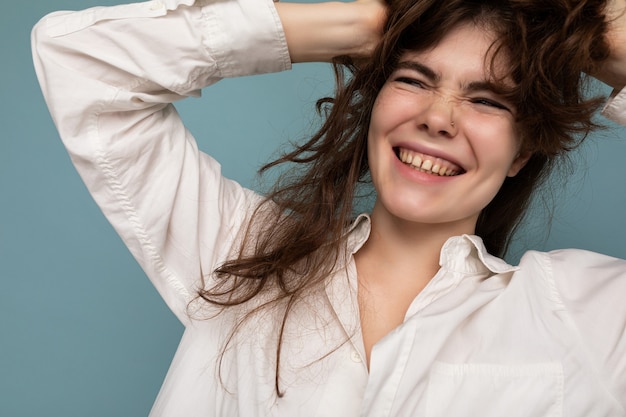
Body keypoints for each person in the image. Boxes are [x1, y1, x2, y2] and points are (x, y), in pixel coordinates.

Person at [32, 0, 626, 415]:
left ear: (524, 150)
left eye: (487, 100)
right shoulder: (238, 250)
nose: (438, 117)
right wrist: (354, 25)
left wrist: (598, 41)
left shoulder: (586, 316)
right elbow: (77, 62)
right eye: (415, 79)